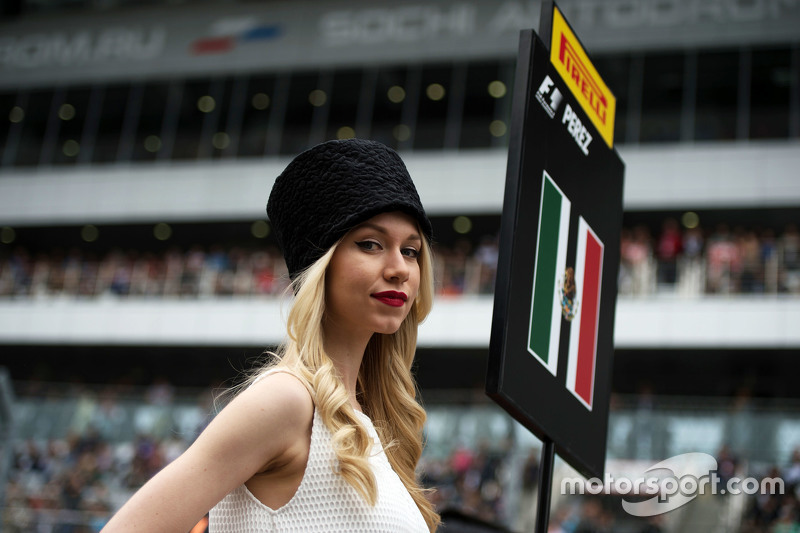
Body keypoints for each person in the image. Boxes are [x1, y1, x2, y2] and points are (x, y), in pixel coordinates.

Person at [101, 138, 440, 532]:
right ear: (320, 266)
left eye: (412, 251)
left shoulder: (370, 420)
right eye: (370, 244)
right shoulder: (287, 401)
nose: (399, 267)